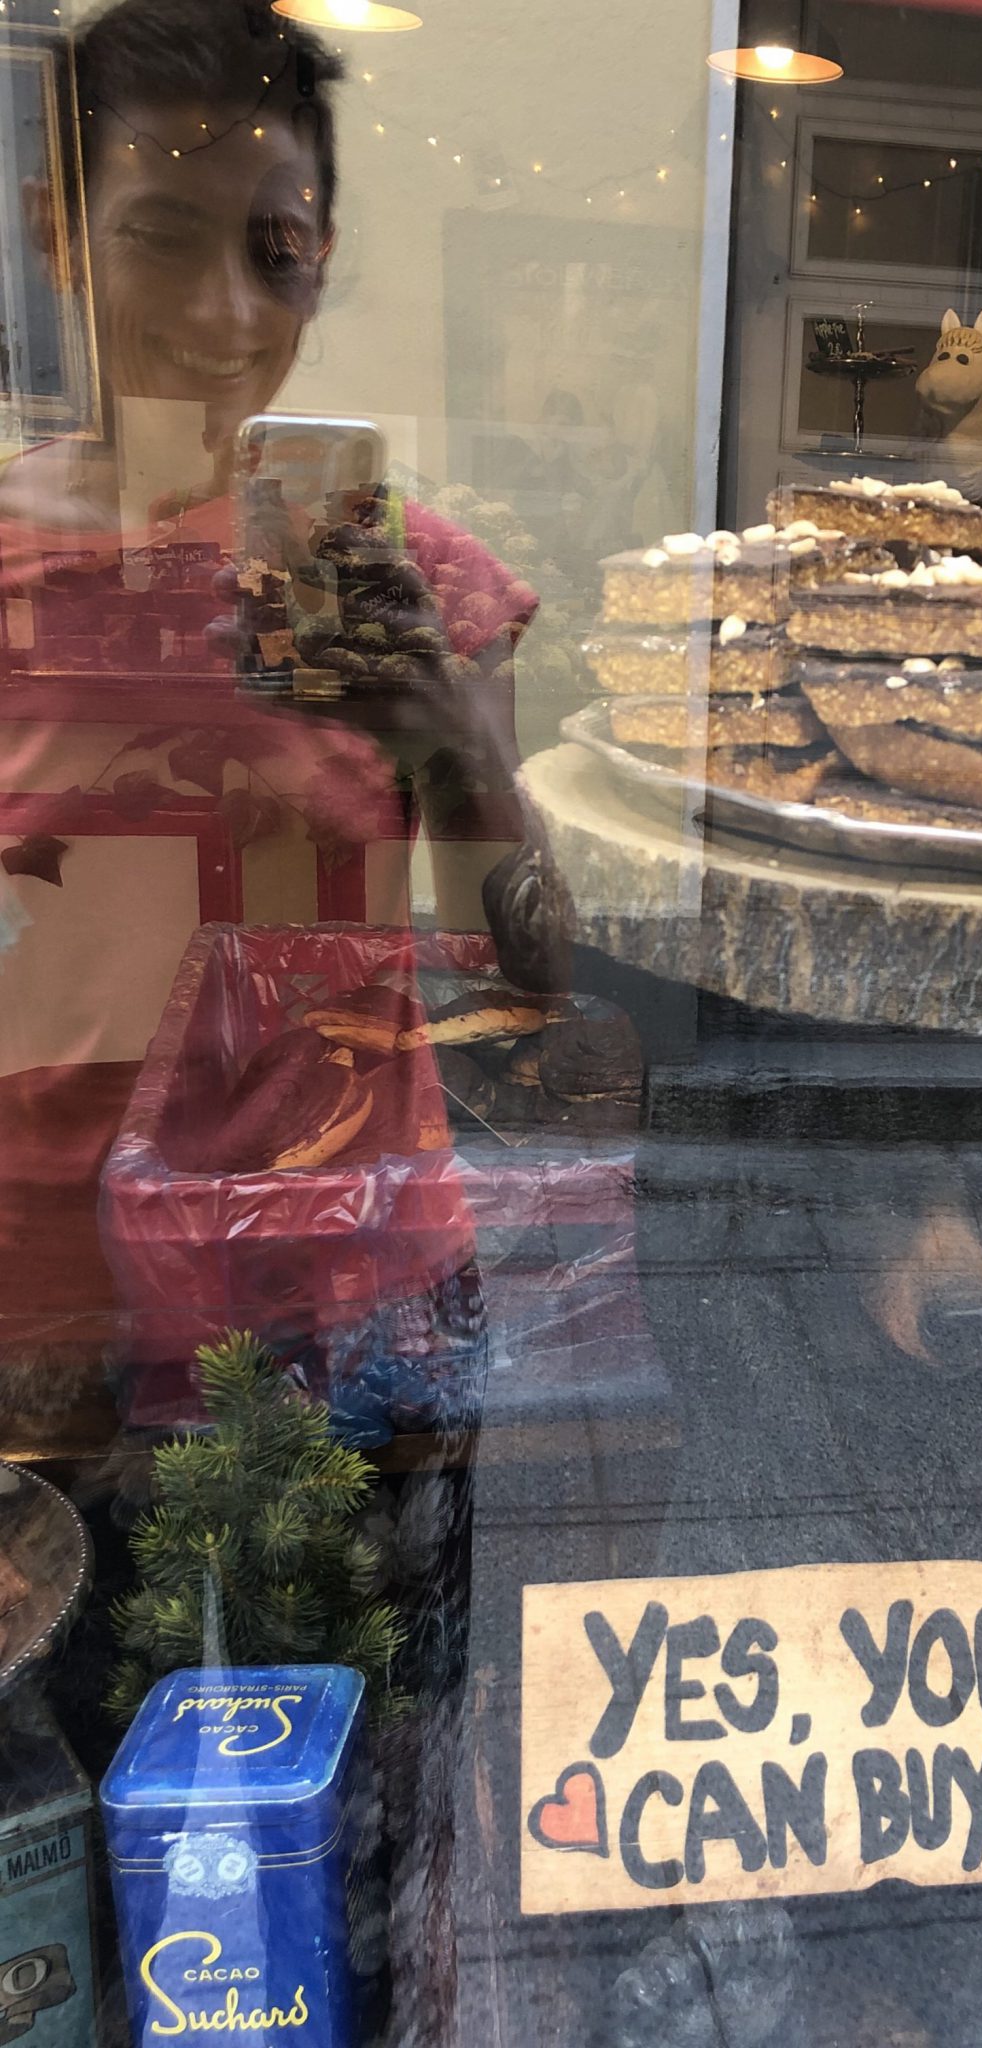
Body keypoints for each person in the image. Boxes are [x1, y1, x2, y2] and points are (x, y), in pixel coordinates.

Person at [0, 0, 539, 1413]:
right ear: (60, 231)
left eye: (275, 249)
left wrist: (452, 737)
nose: (227, 310)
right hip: (45, 1292)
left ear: (324, 260)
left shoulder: (421, 581)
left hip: (351, 1292)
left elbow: (535, 969)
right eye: (160, 232)